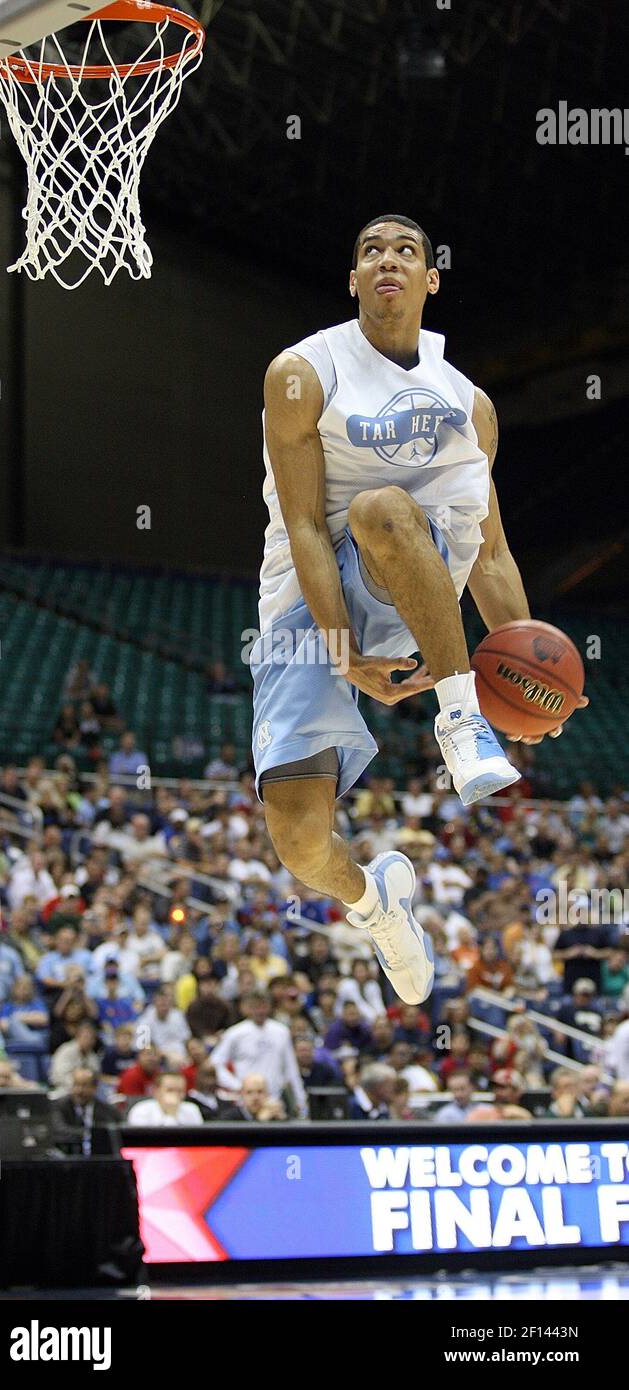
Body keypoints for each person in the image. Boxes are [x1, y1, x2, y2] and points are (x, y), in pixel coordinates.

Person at [252, 214, 586, 1010]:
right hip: (311, 598)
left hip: (413, 574)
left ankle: (458, 720)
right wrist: (339, 650)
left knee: (383, 508)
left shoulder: (468, 403)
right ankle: (378, 905)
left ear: (431, 279)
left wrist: (533, 670)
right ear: (353, 279)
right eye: (370, 251)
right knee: (297, 840)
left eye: (406, 251)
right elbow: (301, 521)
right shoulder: (301, 371)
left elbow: (491, 550)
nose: (387, 261)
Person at [210, 987, 307, 1115]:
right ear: (247, 1008)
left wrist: (300, 1099)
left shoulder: (281, 1031)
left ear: (270, 1007)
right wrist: (237, 1085)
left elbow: (291, 1068)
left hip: (274, 1100)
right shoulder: (235, 1033)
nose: (260, 1011)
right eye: (255, 1007)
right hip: (245, 1101)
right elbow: (215, 1063)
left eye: (263, 1006)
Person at [51, 1067, 120, 1155]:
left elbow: (113, 1132)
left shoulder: (108, 1110)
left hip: (99, 1157)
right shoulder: (59, 1105)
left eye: (84, 1085)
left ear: (95, 1087)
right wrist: (91, 1135)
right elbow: (58, 1130)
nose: (79, 1091)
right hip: (68, 1155)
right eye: (76, 1085)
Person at [127, 1071, 203, 1126]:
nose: (175, 1095)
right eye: (170, 1090)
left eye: (180, 1091)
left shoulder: (192, 1109)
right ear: (156, 1091)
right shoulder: (141, 1110)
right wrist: (171, 1115)